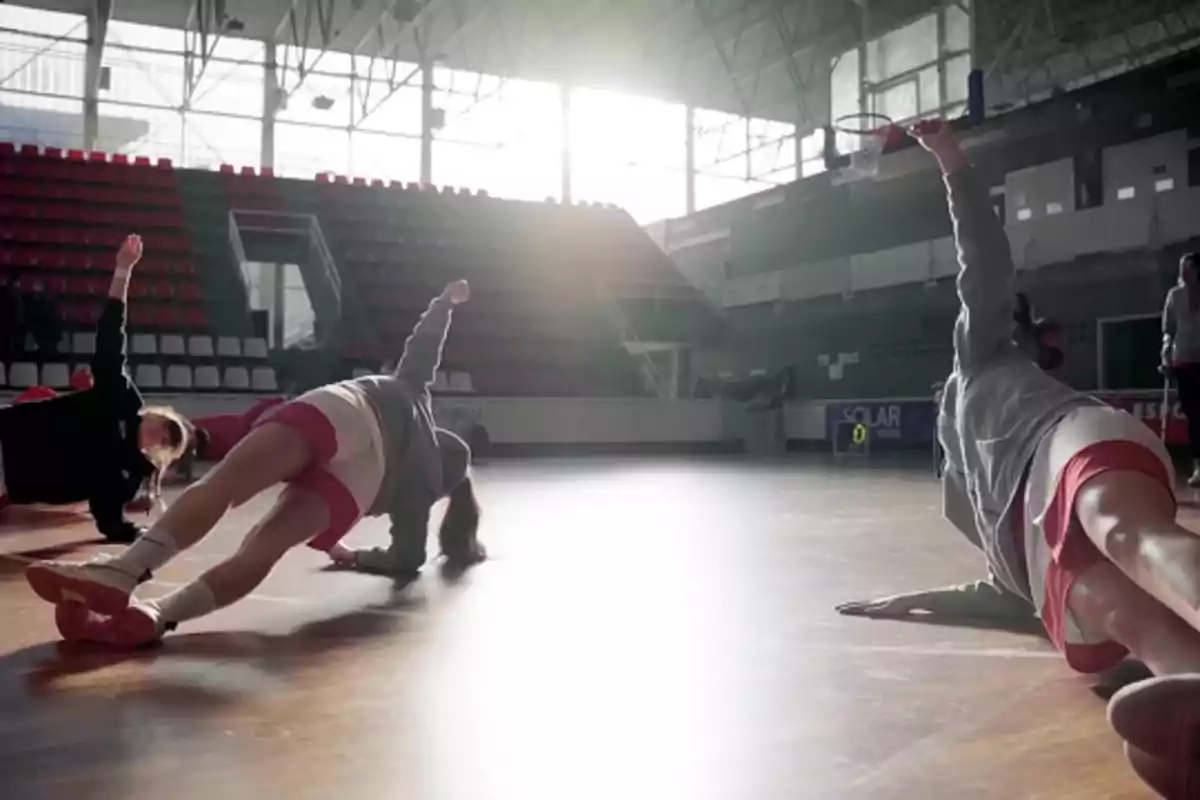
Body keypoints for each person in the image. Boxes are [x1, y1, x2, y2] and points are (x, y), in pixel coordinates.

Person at [834, 120, 1200, 797]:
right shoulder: (962, 488)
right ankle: (1188, 677)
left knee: (1121, 532)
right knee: (1104, 605)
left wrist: (952, 163)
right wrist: (912, 602)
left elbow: (985, 263)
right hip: (1033, 555)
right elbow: (1004, 594)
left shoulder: (983, 358)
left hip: (1062, 443)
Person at [25, 279, 487, 647]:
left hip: (354, 410)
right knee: (262, 548)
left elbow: (424, 345)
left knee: (224, 485)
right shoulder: (423, 487)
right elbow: (409, 559)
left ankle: (124, 572)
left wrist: (446, 301)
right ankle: (159, 616)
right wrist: (354, 555)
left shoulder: (413, 393)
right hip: (364, 482)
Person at [0, 235, 190, 541]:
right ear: (154, 414)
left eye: (167, 440)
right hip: (7, 434)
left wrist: (139, 535)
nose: (161, 434)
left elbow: (109, 520)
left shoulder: (129, 474)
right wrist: (123, 271)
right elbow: (112, 337)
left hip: (12, 483)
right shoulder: (121, 397)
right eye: (165, 427)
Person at [1161, 253, 1200, 486]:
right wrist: (1165, 355)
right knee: (1193, 414)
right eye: (1182, 268)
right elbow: (1168, 330)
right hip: (1183, 360)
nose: (1184, 272)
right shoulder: (1174, 296)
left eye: (1188, 268)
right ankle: (1198, 465)